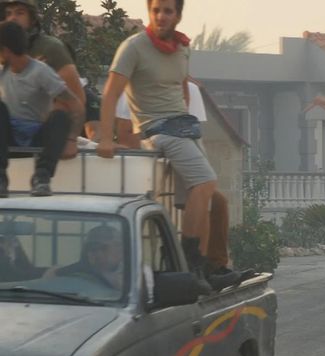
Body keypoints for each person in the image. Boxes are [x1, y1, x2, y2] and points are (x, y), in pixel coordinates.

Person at [96, 0, 237, 293]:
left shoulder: (183, 48)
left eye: (168, 11)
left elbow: (181, 85)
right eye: (156, 10)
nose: (161, 16)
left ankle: (207, 272)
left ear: (178, 15)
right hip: (157, 129)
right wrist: (106, 138)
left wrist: (184, 111)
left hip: (184, 127)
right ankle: (190, 262)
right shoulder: (133, 47)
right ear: (150, 12)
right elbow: (110, 94)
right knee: (206, 182)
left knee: (206, 198)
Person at [116, 79, 232, 277]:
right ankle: (190, 262)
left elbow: (192, 134)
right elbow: (126, 135)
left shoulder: (191, 90)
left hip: (179, 156)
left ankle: (211, 265)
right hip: (150, 161)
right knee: (204, 195)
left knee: (216, 201)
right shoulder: (133, 88)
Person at [0, 20, 84, 198]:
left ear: (6, 50)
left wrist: (72, 139)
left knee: (60, 116)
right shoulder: (3, 71)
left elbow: (75, 104)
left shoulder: (41, 72)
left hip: (36, 135)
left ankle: (42, 177)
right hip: (10, 137)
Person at [1, 0, 85, 156]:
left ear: (32, 19)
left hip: (40, 134)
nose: (12, 18)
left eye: (19, 13)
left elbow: (76, 98)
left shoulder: (50, 48)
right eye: (8, 13)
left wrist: (68, 139)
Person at [54, 225, 124, 290]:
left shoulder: (131, 274)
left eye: (104, 248)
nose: (98, 254)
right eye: (92, 249)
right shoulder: (70, 273)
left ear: (120, 249)